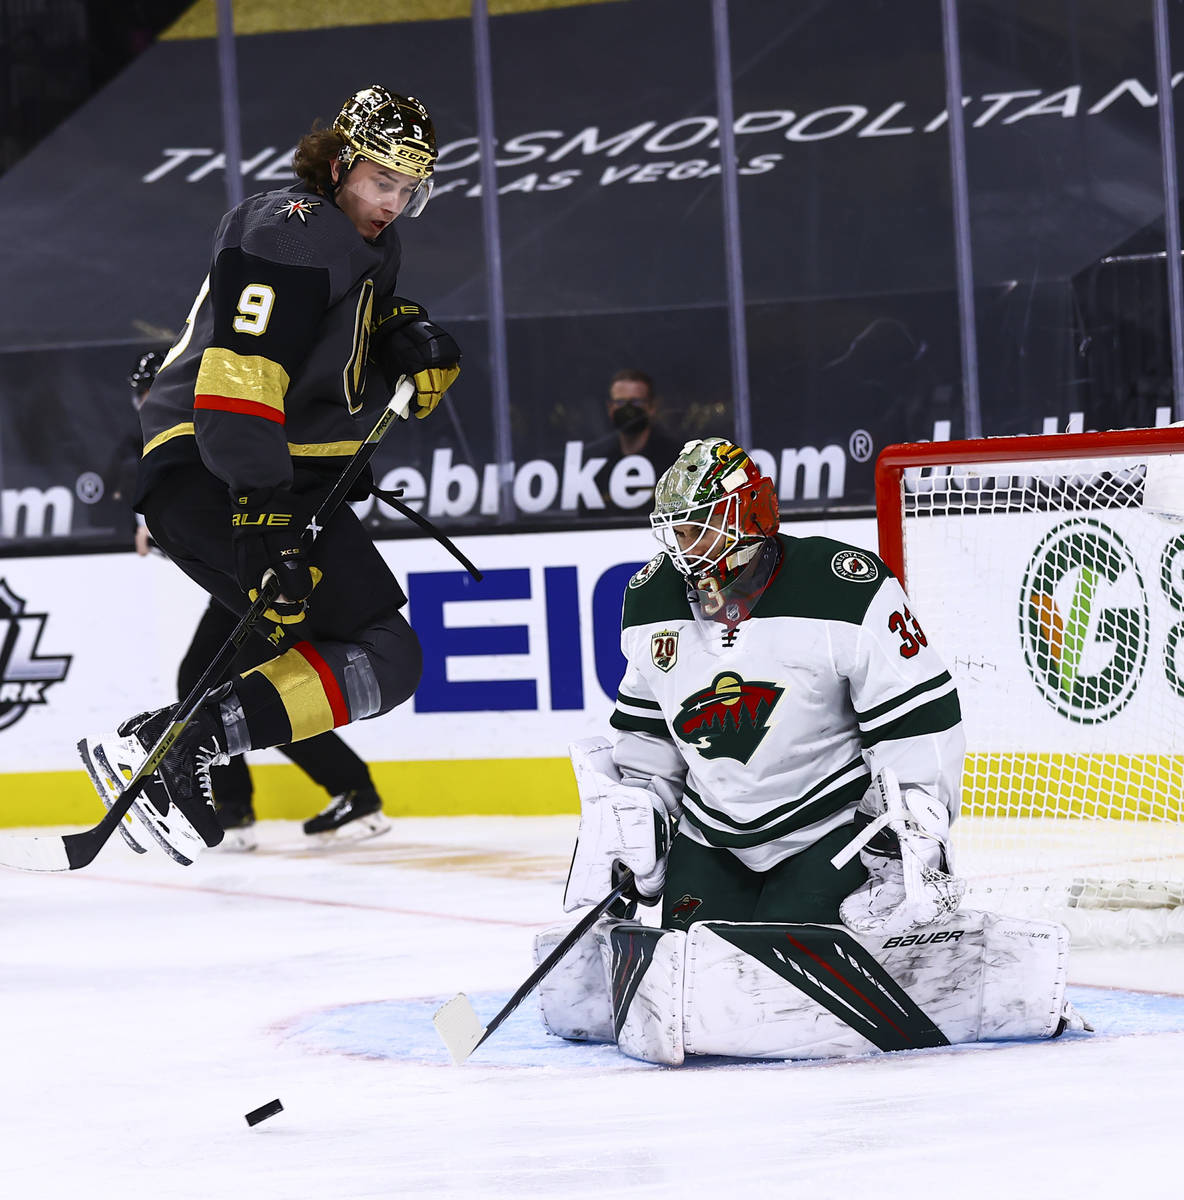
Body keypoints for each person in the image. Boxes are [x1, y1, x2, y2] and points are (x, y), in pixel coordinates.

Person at [537, 437, 1084, 1063]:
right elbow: (648, 734)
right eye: (676, 532)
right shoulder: (650, 599)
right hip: (712, 833)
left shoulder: (844, 588)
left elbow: (922, 716)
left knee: (788, 981)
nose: (684, 548)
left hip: (826, 830)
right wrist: (637, 824)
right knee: (694, 975)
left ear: (748, 518)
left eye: (698, 529)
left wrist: (916, 833)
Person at [79, 84, 461, 866]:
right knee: (380, 649)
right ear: (339, 163)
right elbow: (241, 377)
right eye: (381, 179)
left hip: (264, 482)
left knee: (387, 657)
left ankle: (178, 743)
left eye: (409, 187)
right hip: (216, 469)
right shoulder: (294, 226)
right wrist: (258, 513)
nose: (393, 201)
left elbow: (342, 329)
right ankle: (176, 749)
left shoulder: (368, 246)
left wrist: (403, 332)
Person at [117, 352, 389, 850]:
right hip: (239, 582)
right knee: (215, 684)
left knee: (250, 688)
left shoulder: (208, 422)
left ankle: (344, 791)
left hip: (263, 568)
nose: (145, 404)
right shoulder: (169, 441)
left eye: (149, 392)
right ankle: (243, 804)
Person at [585, 368, 683, 513]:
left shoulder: (677, 462)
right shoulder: (596, 466)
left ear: (651, 407)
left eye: (636, 402)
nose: (628, 410)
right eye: (620, 402)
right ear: (610, 408)